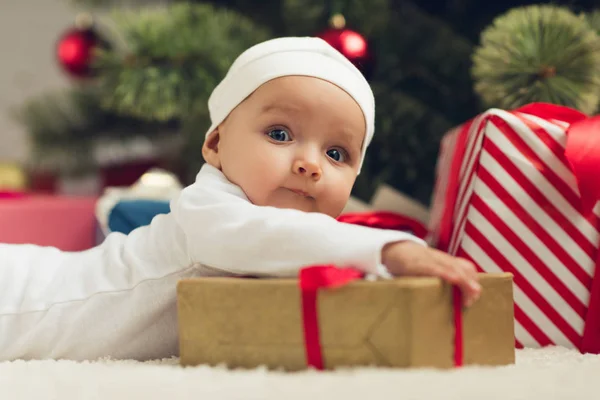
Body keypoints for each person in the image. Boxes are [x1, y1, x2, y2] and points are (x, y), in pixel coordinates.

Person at [0, 37, 481, 362]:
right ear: (214, 145)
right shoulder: (209, 209)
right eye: (280, 133)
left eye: (336, 153)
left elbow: (297, 247)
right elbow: (269, 237)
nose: (310, 163)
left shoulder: (288, 236)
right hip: (22, 296)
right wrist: (389, 249)